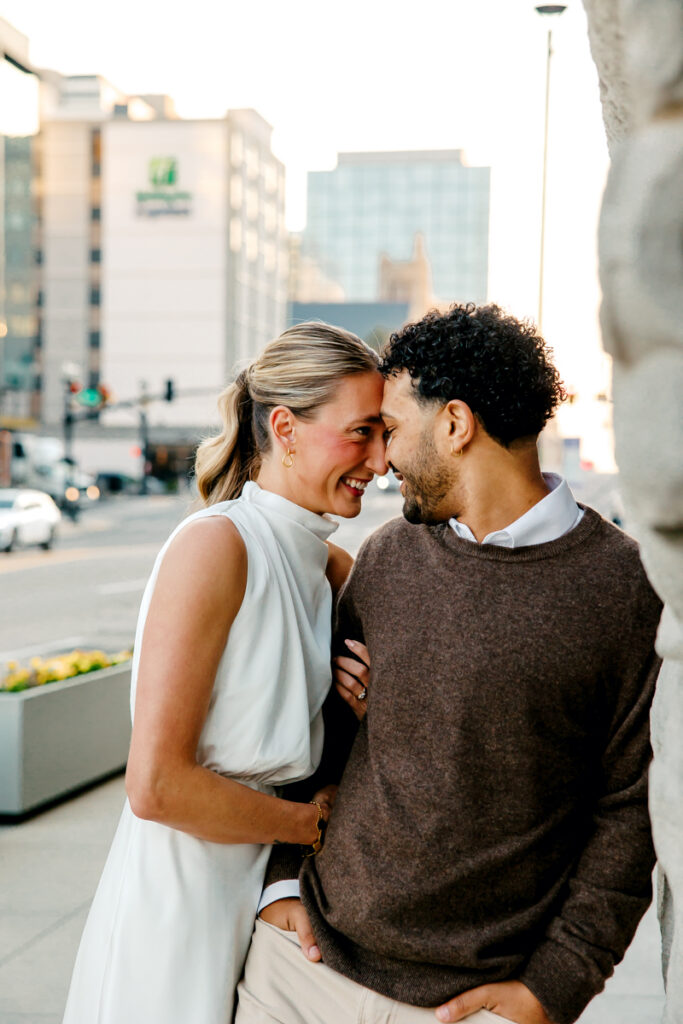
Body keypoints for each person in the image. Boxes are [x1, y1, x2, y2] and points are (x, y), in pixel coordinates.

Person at [236, 304, 662, 1024]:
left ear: (455, 425)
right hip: (303, 968)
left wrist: (553, 987)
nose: (380, 461)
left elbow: (628, 810)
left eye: (392, 430)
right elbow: (317, 737)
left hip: (473, 1004)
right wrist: (280, 887)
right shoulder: (387, 556)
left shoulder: (624, 590)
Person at [61, 322, 387, 1024]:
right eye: (361, 432)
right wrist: (309, 826)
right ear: (284, 427)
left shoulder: (335, 570)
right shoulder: (217, 546)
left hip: (276, 901)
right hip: (179, 900)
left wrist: (349, 712)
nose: (381, 459)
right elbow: (157, 786)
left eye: (384, 433)